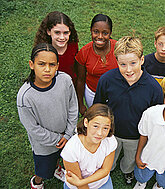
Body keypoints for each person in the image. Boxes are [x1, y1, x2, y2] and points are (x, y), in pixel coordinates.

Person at [94, 36, 164, 184]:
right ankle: (108, 168)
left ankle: (127, 171)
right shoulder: (107, 80)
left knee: (130, 158)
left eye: (133, 63)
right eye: (123, 64)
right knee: (109, 157)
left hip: (135, 136)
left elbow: (155, 117)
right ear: (117, 62)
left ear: (142, 60)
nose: (129, 69)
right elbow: (98, 106)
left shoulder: (153, 88)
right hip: (110, 133)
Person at [17, 43, 78, 189]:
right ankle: (37, 183)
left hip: (67, 136)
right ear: (32, 65)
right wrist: (59, 139)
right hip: (44, 145)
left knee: (64, 157)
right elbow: (33, 129)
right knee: (44, 169)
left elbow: (73, 107)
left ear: (57, 66)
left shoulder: (65, 80)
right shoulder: (25, 97)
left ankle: (57, 168)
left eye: (52, 65)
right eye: (41, 64)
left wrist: (68, 134)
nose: (47, 69)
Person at [61, 103, 117, 189]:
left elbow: (105, 170)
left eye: (105, 128)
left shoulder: (110, 141)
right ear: (86, 122)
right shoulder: (71, 149)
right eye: (95, 126)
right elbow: (78, 183)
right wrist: (80, 183)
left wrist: (81, 182)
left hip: (102, 182)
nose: (100, 133)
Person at [76, 14, 118, 115]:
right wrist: (81, 104)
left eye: (105, 33)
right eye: (96, 32)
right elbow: (80, 81)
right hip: (93, 93)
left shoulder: (118, 48)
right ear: (91, 31)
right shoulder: (84, 52)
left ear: (110, 33)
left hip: (116, 92)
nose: (100, 37)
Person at [34, 11, 79, 84]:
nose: (62, 37)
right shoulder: (43, 52)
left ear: (70, 32)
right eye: (57, 32)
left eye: (65, 33)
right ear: (48, 31)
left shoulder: (73, 45)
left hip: (71, 85)